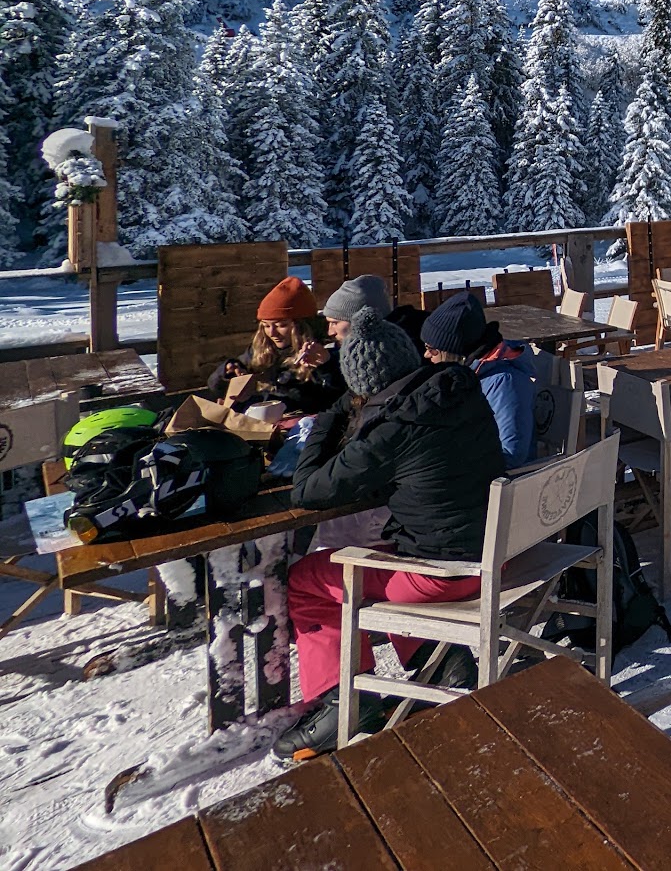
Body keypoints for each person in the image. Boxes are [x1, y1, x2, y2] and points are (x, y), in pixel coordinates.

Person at [274, 307, 504, 760]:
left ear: (362, 382)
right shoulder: (459, 390)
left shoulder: (391, 430)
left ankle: (343, 702)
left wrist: (329, 414)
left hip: (446, 575)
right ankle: (442, 665)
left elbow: (307, 490)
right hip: (498, 553)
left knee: (308, 579)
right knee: (385, 552)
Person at [420, 292, 538, 468]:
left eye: (432, 349)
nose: (426, 354)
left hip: (499, 485)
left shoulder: (505, 384)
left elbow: (512, 454)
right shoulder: (462, 374)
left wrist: (446, 461)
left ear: (455, 350)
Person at [207, 276, 345, 416]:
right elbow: (216, 388)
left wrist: (325, 367)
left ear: (304, 325)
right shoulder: (263, 349)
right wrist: (228, 373)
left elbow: (334, 399)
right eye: (266, 326)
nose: (272, 333)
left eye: (281, 325)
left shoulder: (325, 350)